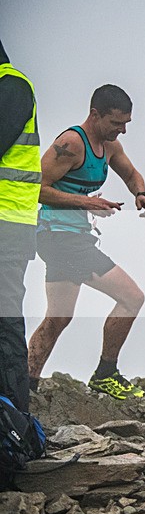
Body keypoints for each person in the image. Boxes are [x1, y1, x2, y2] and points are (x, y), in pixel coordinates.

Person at [27, 84, 145, 400]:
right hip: (59, 238)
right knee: (132, 297)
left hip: (72, 239)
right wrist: (86, 203)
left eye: (126, 123)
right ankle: (105, 374)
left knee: (58, 317)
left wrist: (141, 193)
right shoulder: (71, 143)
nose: (121, 130)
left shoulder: (109, 146)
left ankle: (23, 386)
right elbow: (36, 188)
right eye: (115, 122)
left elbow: (131, 174)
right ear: (95, 115)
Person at [0, 40, 42, 413]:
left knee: (5, 322)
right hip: (10, 224)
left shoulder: (11, 87)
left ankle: (13, 424)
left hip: (7, 226)